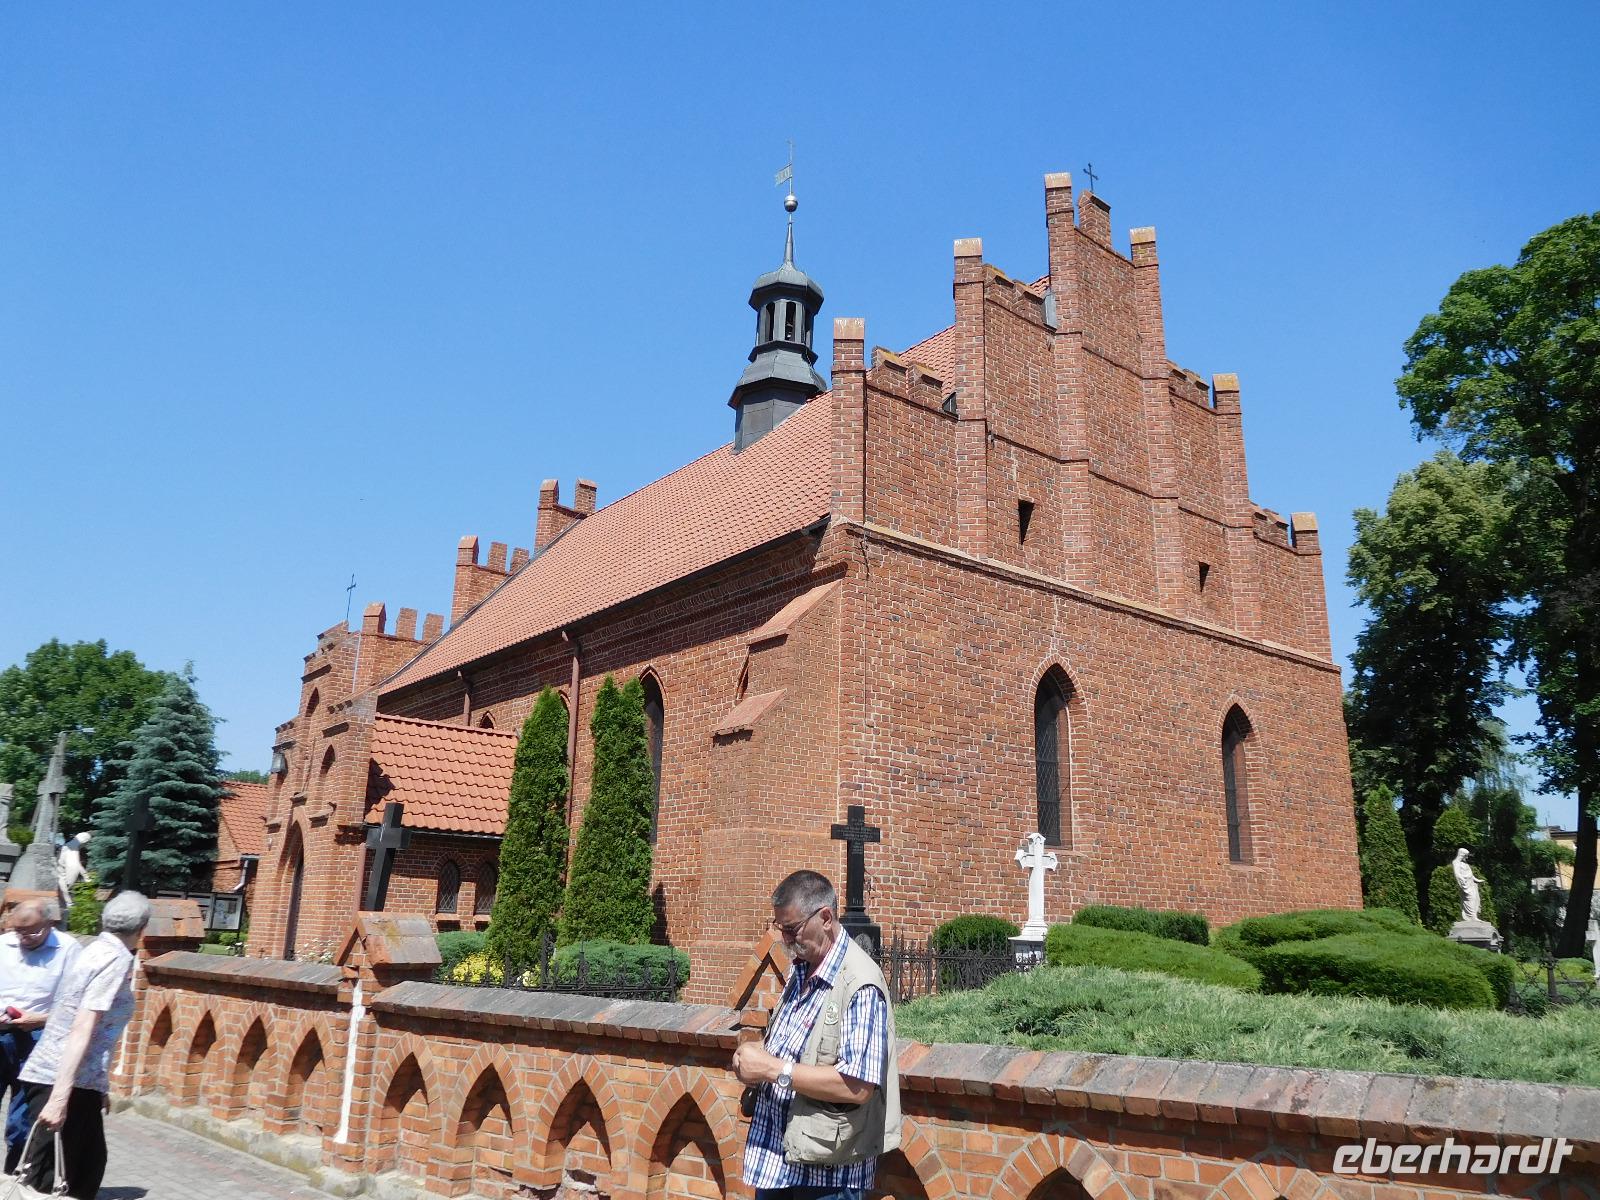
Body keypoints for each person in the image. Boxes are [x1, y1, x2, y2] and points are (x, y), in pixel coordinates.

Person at [733, 870, 900, 1200]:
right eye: (780, 929)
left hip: (826, 1175)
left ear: (825, 917)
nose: (785, 939)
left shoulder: (859, 982)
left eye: (792, 929)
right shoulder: (803, 968)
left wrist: (771, 1069)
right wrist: (755, 1062)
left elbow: (857, 1086)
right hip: (778, 1163)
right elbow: (792, 1049)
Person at [11, 891, 149, 1199]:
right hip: (63, 1080)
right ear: (142, 929)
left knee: (80, 1168)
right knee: (55, 1178)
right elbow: (82, 1024)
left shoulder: (94, 949)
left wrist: (98, 1086)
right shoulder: (114, 959)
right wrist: (60, 1098)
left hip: (72, 1078)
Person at [0, 898, 81, 1171]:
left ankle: (13, 1177)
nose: (24, 938)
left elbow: (77, 1005)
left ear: (50, 923)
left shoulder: (68, 950)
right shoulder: (3, 946)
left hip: (39, 1038)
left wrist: (41, 1018)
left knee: (22, 1118)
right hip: (1, 1036)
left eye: (32, 931)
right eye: (19, 931)